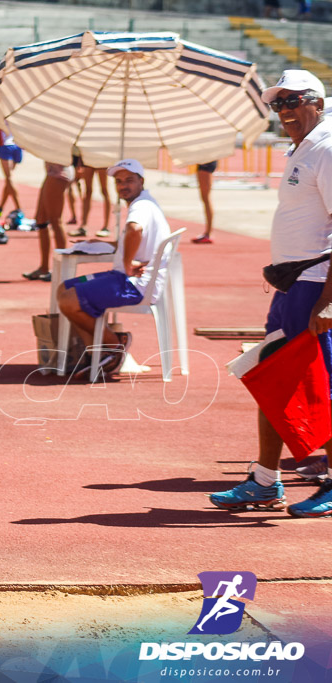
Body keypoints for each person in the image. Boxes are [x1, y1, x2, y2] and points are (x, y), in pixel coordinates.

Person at [209, 69, 332, 517]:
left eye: (293, 101)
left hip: (314, 288)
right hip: (294, 285)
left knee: (316, 385)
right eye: (277, 104)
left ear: (316, 101)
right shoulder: (305, 147)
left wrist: (328, 300)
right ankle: (265, 479)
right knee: (272, 377)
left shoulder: (328, 148)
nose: (284, 111)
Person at [56, 158, 171, 378]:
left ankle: (115, 345)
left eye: (129, 180)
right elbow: (135, 236)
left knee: (69, 300)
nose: (123, 185)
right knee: (66, 287)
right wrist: (111, 246)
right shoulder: (145, 203)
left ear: (141, 181)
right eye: (118, 182)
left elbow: (135, 229)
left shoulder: (142, 206)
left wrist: (127, 265)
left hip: (132, 284)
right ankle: (99, 356)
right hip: (120, 278)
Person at [22, 161, 74, 281]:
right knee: (41, 220)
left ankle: (62, 269)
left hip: (59, 172)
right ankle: (44, 267)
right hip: (52, 171)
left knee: (56, 221)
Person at [70, 162, 112, 239]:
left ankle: (106, 227)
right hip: (88, 159)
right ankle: (83, 225)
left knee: (104, 190)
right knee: (87, 191)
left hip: (101, 159)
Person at [192, 160, 217, 244]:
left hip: (206, 162)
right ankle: (208, 232)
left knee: (206, 198)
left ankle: (208, 233)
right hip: (204, 161)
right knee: (205, 199)